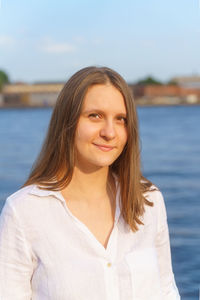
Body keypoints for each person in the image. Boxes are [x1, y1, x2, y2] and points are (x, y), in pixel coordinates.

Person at [0, 66, 180, 299]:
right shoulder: (24, 211)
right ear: (67, 122)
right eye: (95, 115)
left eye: (120, 119)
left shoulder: (149, 200)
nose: (109, 132)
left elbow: (166, 290)